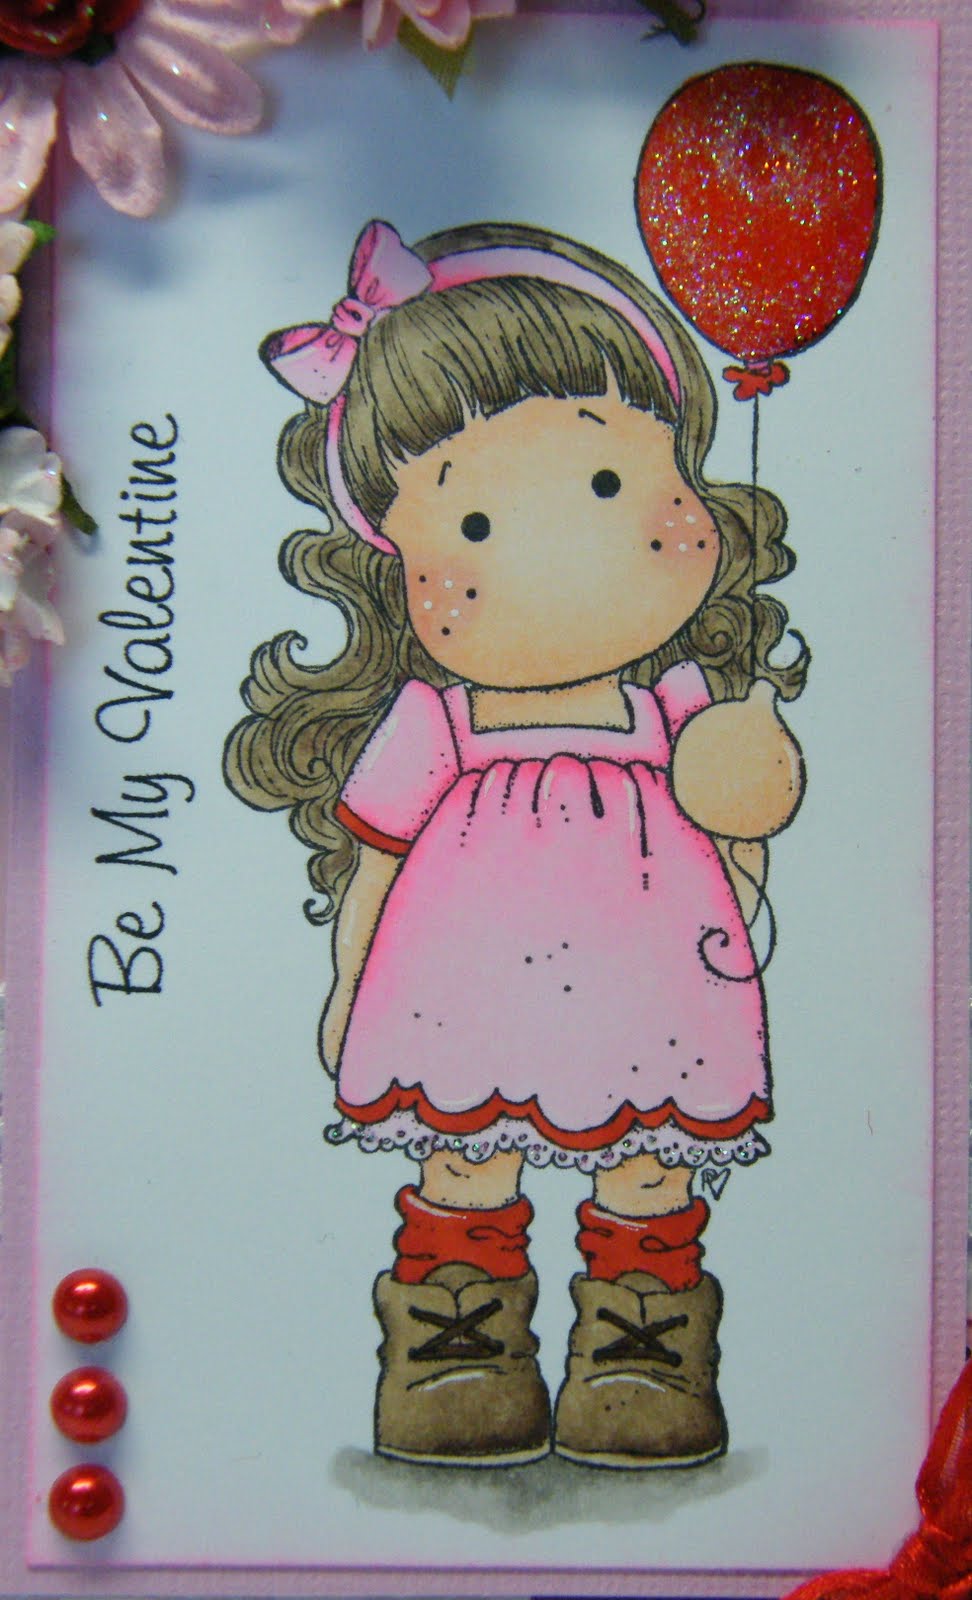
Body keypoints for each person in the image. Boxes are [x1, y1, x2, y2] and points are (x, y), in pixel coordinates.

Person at [224, 219, 808, 1470]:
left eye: (608, 484)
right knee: (466, 1158)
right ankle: (456, 1344)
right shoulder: (435, 720)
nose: (563, 547)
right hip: (463, 988)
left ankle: (644, 1344)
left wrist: (750, 813)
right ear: (400, 566)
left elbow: (740, 849)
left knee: (652, 1162)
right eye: (477, 526)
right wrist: (349, 981)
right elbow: (377, 861)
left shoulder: (681, 707)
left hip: (653, 986)